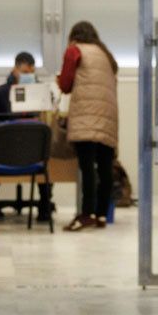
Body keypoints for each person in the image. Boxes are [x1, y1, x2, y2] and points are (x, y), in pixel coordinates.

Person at [56, 20, 118, 232]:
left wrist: (59, 80)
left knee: (87, 168)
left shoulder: (74, 50)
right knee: (105, 167)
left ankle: (85, 215)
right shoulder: (105, 54)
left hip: (86, 116)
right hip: (108, 117)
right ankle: (101, 215)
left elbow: (65, 85)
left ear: (74, 36)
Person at [0, 50, 38, 117]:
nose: (29, 76)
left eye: (32, 72)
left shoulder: (40, 91)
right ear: (15, 70)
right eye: (25, 72)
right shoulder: (0, 92)